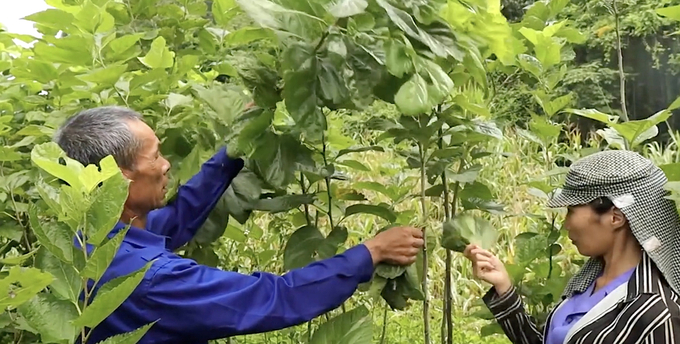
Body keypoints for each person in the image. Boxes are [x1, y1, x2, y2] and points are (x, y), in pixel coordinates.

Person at [54, 106, 425, 344]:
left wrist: (234, 150)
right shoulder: (150, 278)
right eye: (155, 157)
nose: (166, 165)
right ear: (120, 177)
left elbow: (175, 222)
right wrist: (370, 252)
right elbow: (272, 297)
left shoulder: (82, 237)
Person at [464, 150, 680, 344]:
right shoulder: (587, 282)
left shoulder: (657, 315)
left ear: (615, 217)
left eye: (571, 210)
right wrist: (504, 288)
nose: (566, 224)